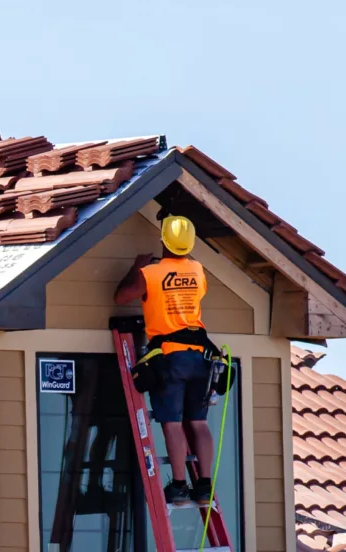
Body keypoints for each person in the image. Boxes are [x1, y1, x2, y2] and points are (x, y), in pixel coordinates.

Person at [114, 215, 217, 505]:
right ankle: (205, 485)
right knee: (198, 422)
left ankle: (181, 486)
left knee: (172, 423)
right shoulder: (198, 270)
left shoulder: (152, 273)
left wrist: (137, 267)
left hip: (170, 358)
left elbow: (122, 297)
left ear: (163, 240)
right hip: (200, 358)